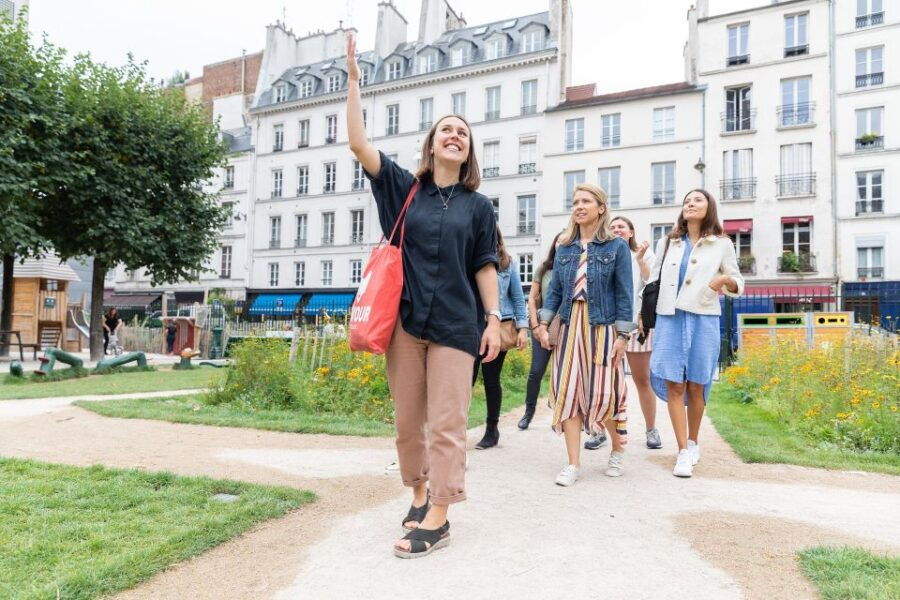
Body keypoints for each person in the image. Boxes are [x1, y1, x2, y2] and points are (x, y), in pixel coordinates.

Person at [346, 33, 501, 559]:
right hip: (406, 324)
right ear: (432, 145)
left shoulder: (479, 207)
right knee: (408, 420)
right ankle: (417, 492)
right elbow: (360, 146)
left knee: (449, 422)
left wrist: (495, 319)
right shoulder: (402, 189)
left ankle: (439, 512)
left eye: (463, 132)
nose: (455, 135)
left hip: (458, 325)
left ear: (468, 150)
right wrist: (352, 84)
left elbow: (484, 264)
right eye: (446, 130)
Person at [534, 184, 634, 486]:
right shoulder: (565, 247)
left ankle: (617, 449)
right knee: (568, 391)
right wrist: (542, 324)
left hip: (602, 325)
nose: (579, 206)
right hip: (568, 326)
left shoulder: (616, 247)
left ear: (601, 208)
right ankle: (573, 463)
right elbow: (553, 293)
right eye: (575, 201)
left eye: (586, 201)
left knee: (605, 392)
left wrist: (622, 336)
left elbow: (625, 294)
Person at [647, 189, 744, 478]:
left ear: (709, 207)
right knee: (675, 384)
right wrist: (644, 316)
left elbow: (738, 281)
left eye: (697, 200)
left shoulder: (722, 244)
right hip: (670, 318)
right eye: (687, 200)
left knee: (697, 384)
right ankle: (682, 451)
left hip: (703, 317)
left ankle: (693, 441)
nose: (690, 203)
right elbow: (653, 279)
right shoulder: (668, 242)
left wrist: (724, 279)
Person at [606, 215, 662, 450]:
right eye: (613, 226)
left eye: (622, 226)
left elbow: (651, 281)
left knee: (642, 379)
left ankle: (651, 429)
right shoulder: (603, 254)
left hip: (638, 325)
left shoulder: (643, 253)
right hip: (609, 326)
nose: (617, 229)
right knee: (606, 381)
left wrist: (639, 260)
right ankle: (601, 430)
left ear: (631, 232)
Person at [473, 228, 528, 449]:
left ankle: (491, 429)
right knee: (465, 380)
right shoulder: (470, 257)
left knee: (491, 379)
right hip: (472, 325)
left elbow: (517, 296)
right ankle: (455, 430)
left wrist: (523, 328)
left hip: (499, 326)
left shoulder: (507, 263)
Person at [517, 232, 562, 430]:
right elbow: (533, 299)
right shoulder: (544, 269)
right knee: (536, 372)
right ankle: (529, 412)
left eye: (567, 240)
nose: (562, 244)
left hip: (566, 326)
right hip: (542, 325)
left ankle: (563, 415)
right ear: (555, 244)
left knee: (563, 374)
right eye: (559, 240)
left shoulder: (576, 268)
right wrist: (534, 326)